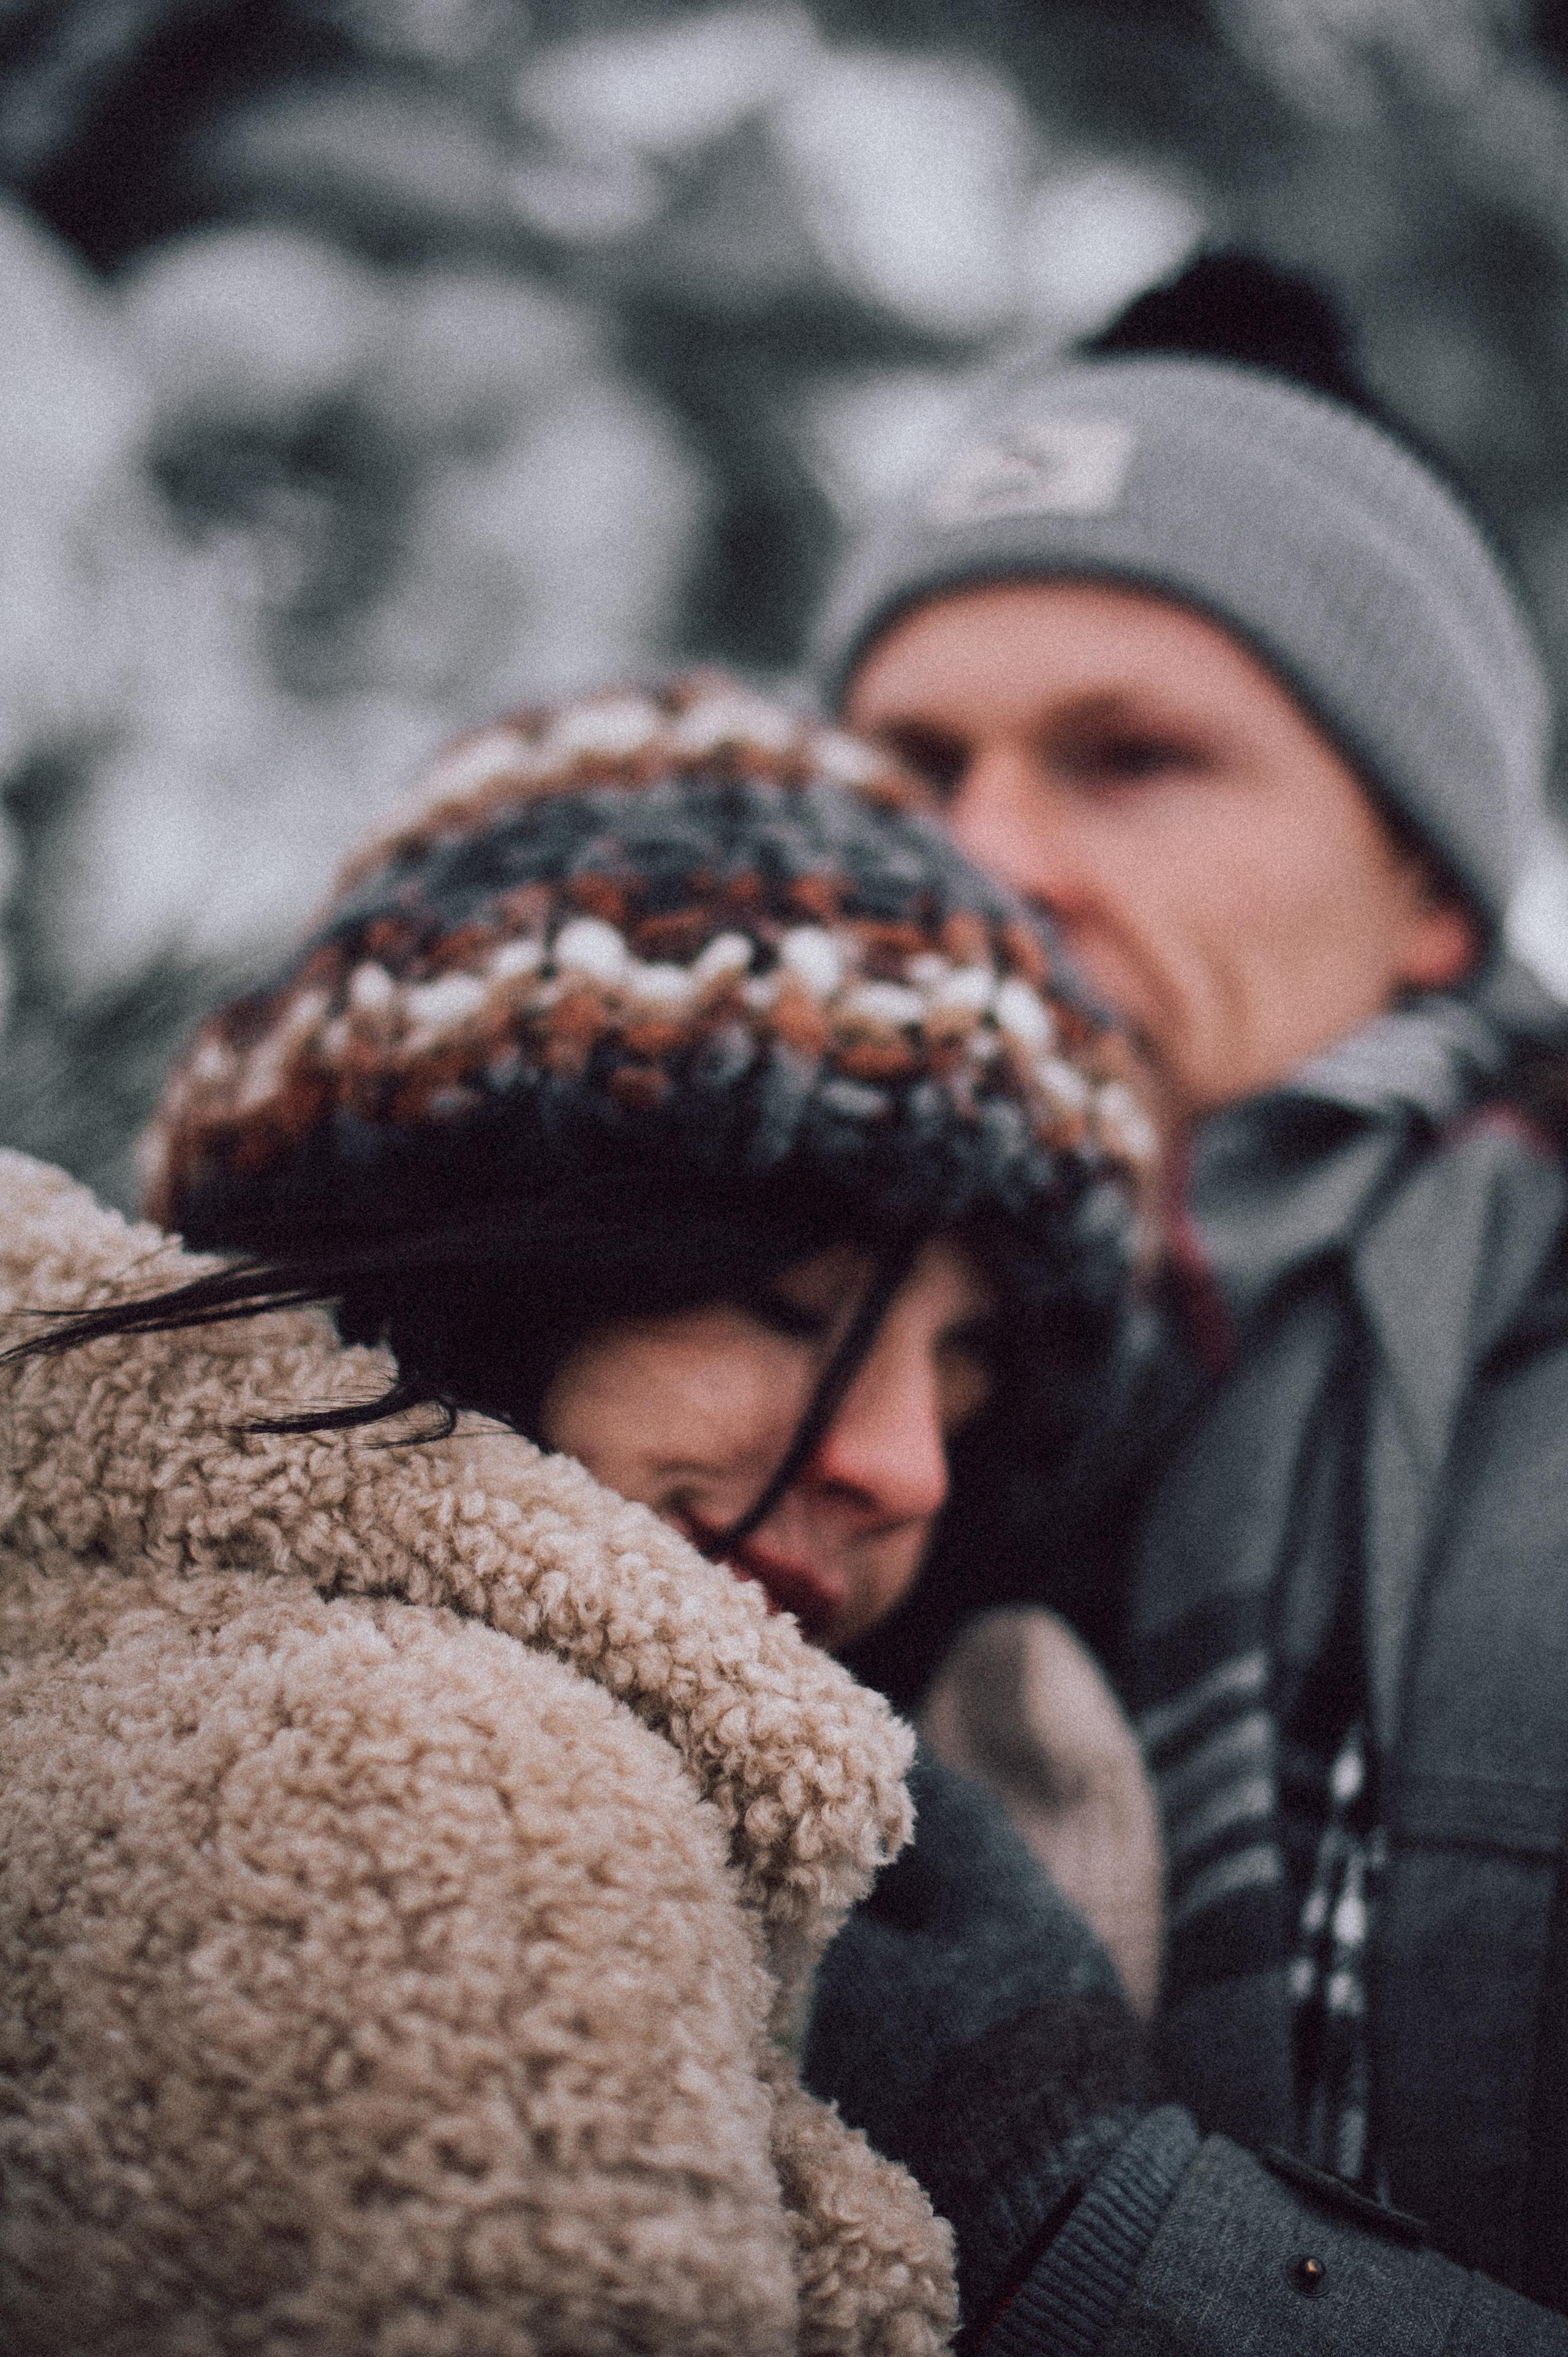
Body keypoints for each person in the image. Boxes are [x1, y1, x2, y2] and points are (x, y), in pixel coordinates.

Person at [0, 676, 1164, 2356]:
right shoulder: (429, 1800)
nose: (907, 1463)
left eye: (965, 1369)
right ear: (480, 1251)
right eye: (781, 1302)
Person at [802, 253, 1568, 2351]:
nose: (982, 861)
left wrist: (1091, 2236)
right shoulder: (645, 1366)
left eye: (1130, 759)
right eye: (907, 769)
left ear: (1429, 887)